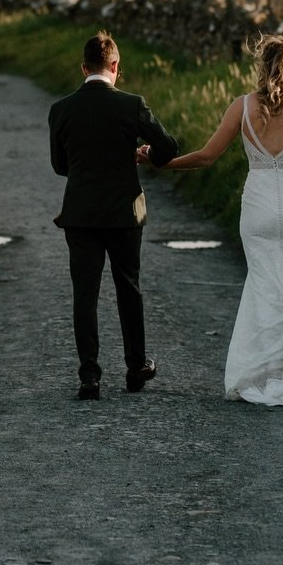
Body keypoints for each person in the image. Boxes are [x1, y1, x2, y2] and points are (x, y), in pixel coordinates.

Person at [139, 34, 283, 405]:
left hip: (259, 208)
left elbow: (206, 156)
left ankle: (264, 376)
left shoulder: (242, 107)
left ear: (263, 67)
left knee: (265, 287)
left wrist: (162, 163)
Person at [49, 31, 180, 399]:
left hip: (80, 214)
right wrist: (145, 154)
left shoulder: (61, 109)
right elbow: (168, 148)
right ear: (115, 66)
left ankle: (89, 376)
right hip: (124, 213)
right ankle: (136, 367)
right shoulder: (132, 105)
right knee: (129, 288)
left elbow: (61, 166)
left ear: (83, 68)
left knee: (85, 294)